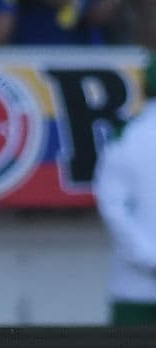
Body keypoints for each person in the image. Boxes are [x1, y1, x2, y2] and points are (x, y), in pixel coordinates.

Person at [93, 54, 156, 325]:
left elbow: (112, 208)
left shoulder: (126, 136)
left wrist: (148, 257)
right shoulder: (127, 136)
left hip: (136, 285)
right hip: (137, 289)